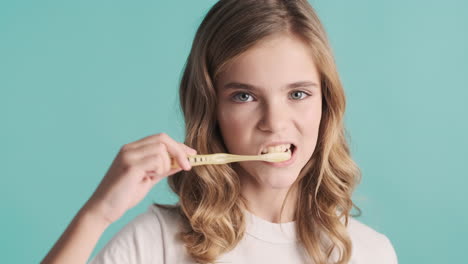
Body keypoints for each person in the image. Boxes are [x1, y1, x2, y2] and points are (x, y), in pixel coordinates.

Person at [42, 0, 398, 263]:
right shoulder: (155, 244)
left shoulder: (370, 253)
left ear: (326, 103)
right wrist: (97, 214)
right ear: (212, 109)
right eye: (244, 96)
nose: (274, 122)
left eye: (298, 94)